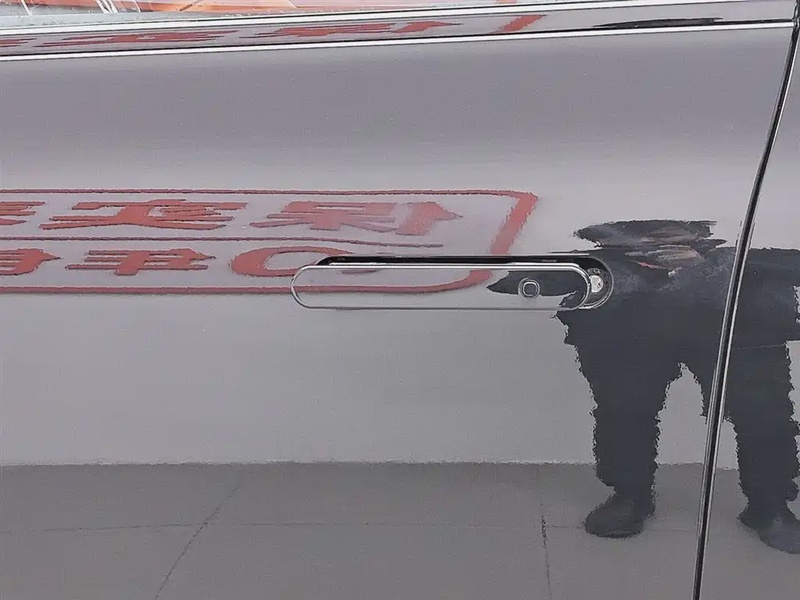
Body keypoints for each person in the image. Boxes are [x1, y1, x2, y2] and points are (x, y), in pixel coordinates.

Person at [489, 220, 800, 553]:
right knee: (624, 409)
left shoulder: (749, 254)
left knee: (763, 413)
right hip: (630, 317)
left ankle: (770, 504)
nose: (663, 241)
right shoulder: (606, 256)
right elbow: (508, 283)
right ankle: (630, 494)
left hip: (742, 324)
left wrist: (706, 261)